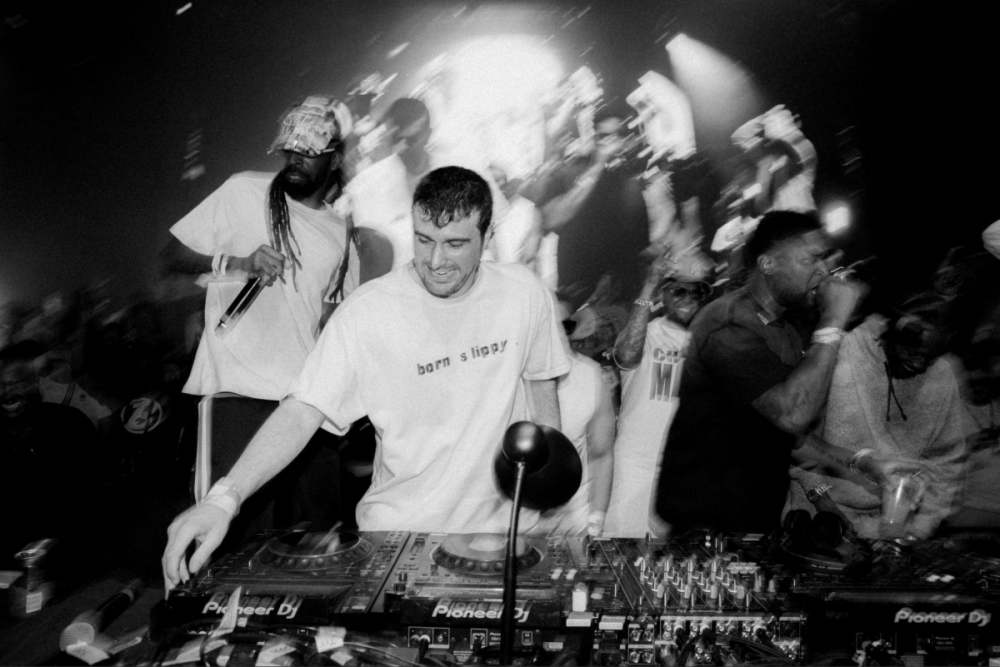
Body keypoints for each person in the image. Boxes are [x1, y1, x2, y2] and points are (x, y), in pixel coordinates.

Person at [163, 166, 569, 589]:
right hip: (400, 541)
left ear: (486, 238)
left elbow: (541, 386)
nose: (435, 261)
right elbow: (302, 411)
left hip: (504, 539)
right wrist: (223, 499)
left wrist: (546, 491)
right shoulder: (369, 310)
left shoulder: (524, 293)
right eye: (424, 240)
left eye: (455, 244)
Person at [159, 95, 359, 535]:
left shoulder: (341, 232)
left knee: (319, 542)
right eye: (290, 150)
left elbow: (334, 320)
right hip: (238, 395)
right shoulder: (243, 190)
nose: (295, 160)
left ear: (334, 158)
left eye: (308, 153)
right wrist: (237, 263)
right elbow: (172, 256)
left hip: (306, 406)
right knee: (231, 541)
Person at [655, 210, 911, 534]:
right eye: (812, 259)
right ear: (767, 264)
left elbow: (788, 439)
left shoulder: (784, 330)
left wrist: (864, 463)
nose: (824, 271)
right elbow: (793, 414)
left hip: (754, 525)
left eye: (825, 259)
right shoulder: (726, 324)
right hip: (707, 529)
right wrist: (833, 319)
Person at [788, 296, 967, 539]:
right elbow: (794, 436)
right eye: (912, 352)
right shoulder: (841, 351)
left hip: (896, 526)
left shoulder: (943, 375)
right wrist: (819, 496)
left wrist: (922, 527)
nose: (920, 366)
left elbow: (946, 460)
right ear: (891, 331)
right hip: (821, 516)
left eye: (930, 358)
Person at [604, 252, 712, 537]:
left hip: (683, 470)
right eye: (679, 291)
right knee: (625, 549)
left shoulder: (707, 342)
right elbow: (626, 355)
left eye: (697, 292)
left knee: (672, 557)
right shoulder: (646, 332)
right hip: (636, 465)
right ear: (664, 295)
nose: (689, 298)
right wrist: (649, 286)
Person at [341, 98, 507, 281]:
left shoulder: (463, 171)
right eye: (397, 139)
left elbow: (494, 230)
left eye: (411, 139)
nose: (403, 148)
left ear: (428, 134)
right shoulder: (370, 187)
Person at [538, 102, 651, 309]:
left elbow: (640, 248)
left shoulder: (629, 185)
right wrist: (597, 167)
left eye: (617, 136)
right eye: (604, 136)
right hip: (576, 298)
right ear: (593, 138)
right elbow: (553, 220)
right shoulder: (567, 173)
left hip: (618, 301)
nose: (611, 143)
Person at [535, 302, 615, 537]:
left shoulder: (590, 375)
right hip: (511, 525)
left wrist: (595, 521)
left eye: (566, 326)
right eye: (549, 326)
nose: (559, 334)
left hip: (573, 525)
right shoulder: (504, 376)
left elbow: (601, 454)